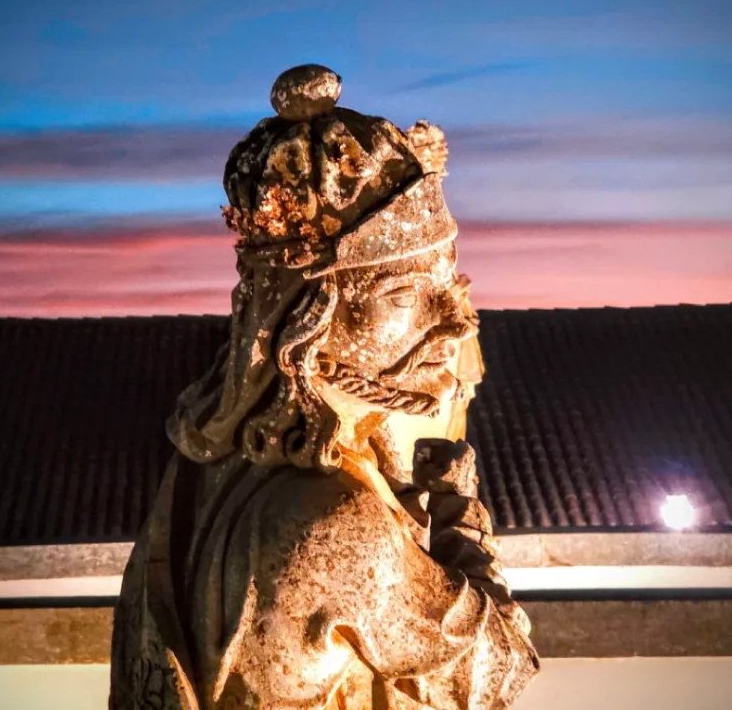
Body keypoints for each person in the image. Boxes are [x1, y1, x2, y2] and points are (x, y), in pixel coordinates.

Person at [110, 65, 539, 710]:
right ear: (306, 322)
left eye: (451, 286)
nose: (454, 322)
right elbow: (496, 669)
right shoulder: (343, 527)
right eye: (404, 294)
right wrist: (455, 502)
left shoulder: (202, 473)